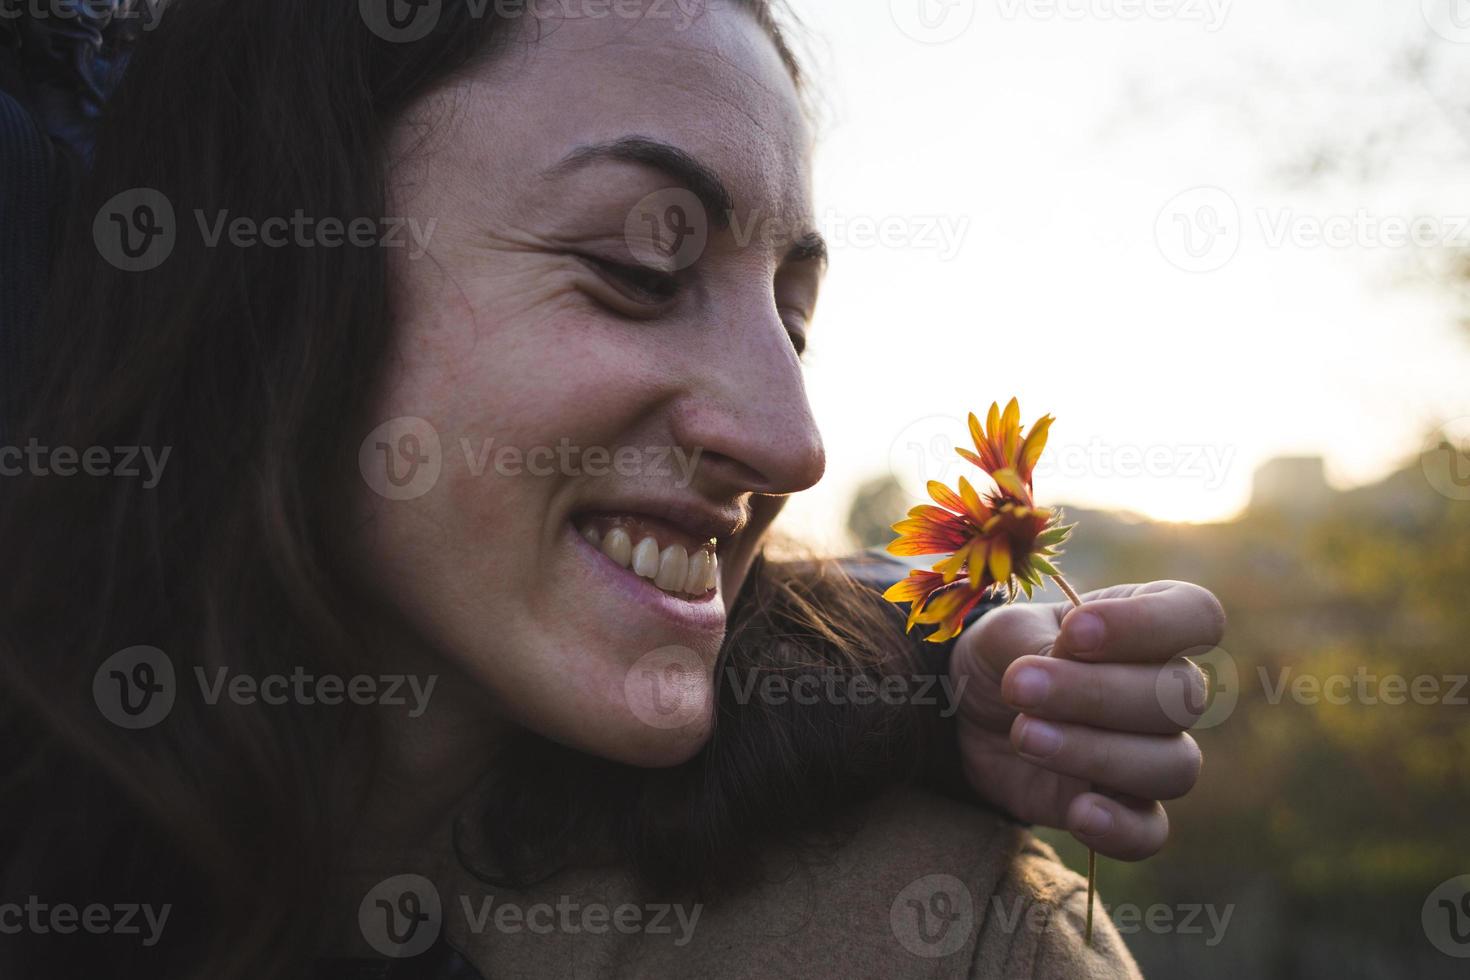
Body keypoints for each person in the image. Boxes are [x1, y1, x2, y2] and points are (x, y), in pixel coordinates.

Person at [0, 2, 1224, 977]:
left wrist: (900, 655)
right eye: (640, 265)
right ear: (278, 279)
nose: (794, 442)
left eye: (794, 322)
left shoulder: (946, 930)